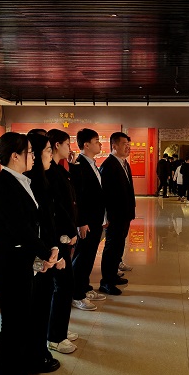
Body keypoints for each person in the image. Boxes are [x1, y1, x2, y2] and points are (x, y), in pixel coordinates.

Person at [0, 132, 60, 375]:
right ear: (15, 156)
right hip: (9, 266)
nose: (34, 156)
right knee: (12, 330)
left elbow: (32, 225)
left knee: (20, 327)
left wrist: (47, 250)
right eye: (29, 152)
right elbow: (20, 229)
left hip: (21, 263)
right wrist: (47, 252)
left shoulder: (19, 180)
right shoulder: (4, 184)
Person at [24, 131, 61, 375]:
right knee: (37, 306)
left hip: (45, 253)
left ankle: (39, 352)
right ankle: (35, 355)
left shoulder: (41, 179)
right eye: (47, 150)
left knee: (41, 303)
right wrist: (47, 255)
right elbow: (35, 226)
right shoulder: (31, 182)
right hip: (38, 257)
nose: (50, 155)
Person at [44, 129, 79, 354]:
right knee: (63, 285)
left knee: (65, 285)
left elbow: (71, 200)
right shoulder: (50, 173)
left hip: (64, 235)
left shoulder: (59, 169)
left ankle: (60, 330)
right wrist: (67, 233)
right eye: (67, 144)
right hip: (59, 237)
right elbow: (57, 209)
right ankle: (55, 336)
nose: (70, 148)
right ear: (57, 145)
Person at [70, 128, 107, 311]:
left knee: (89, 256)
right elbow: (79, 196)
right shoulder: (80, 165)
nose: (100, 144)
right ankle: (77, 295)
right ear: (86, 145)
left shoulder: (92, 163)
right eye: (96, 141)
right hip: (87, 221)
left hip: (96, 219)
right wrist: (81, 222)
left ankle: (84, 287)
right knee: (82, 257)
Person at [98, 132, 136, 296]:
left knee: (119, 246)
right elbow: (105, 195)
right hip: (114, 216)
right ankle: (106, 282)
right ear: (114, 146)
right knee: (111, 248)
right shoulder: (109, 165)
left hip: (124, 214)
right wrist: (107, 217)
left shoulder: (124, 163)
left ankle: (113, 275)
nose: (128, 147)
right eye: (124, 144)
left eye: (129, 144)